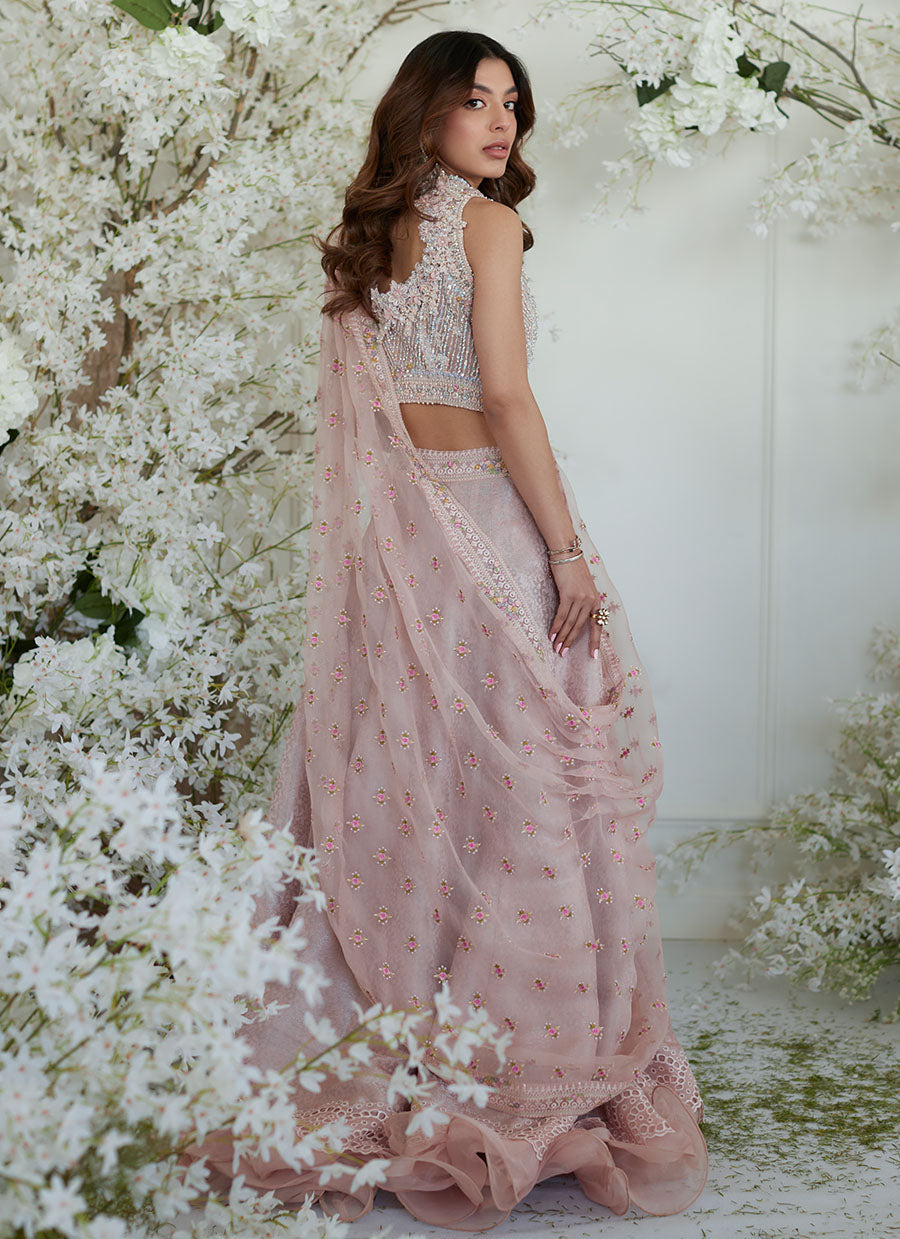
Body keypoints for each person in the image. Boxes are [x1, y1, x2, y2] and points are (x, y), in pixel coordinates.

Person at [193, 29, 709, 1231]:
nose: (501, 122)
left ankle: (402, 1037)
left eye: (513, 103)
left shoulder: (366, 240)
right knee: (522, 788)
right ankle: (514, 1052)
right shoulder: (486, 225)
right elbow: (507, 395)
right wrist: (567, 552)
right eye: (477, 100)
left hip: (402, 549)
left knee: (416, 785)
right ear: (425, 110)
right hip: (484, 530)